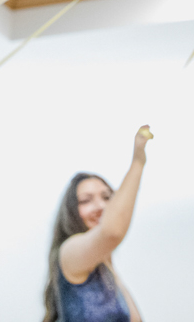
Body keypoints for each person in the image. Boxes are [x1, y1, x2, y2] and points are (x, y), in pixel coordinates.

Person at [43, 126, 151, 322]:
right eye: (86, 200)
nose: (100, 206)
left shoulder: (106, 267)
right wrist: (138, 161)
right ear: (72, 212)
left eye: (107, 197)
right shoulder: (69, 252)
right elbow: (112, 232)